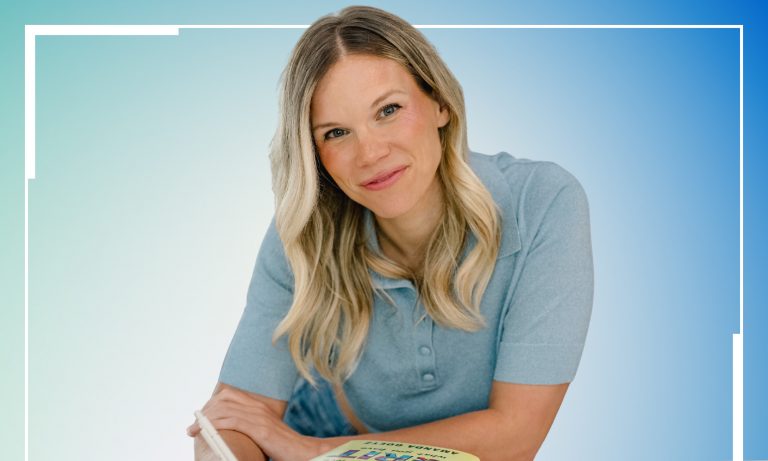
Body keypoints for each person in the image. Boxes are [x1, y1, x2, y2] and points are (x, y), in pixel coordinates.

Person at [186, 5, 593, 461]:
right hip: (324, 424)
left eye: (388, 110)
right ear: (314, 153)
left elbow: (515, 439)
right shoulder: (305, 232)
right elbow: (233, 418)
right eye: (336, 133)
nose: (370, 153)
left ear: (440, 103)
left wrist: (312, 452)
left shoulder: (542, 202)